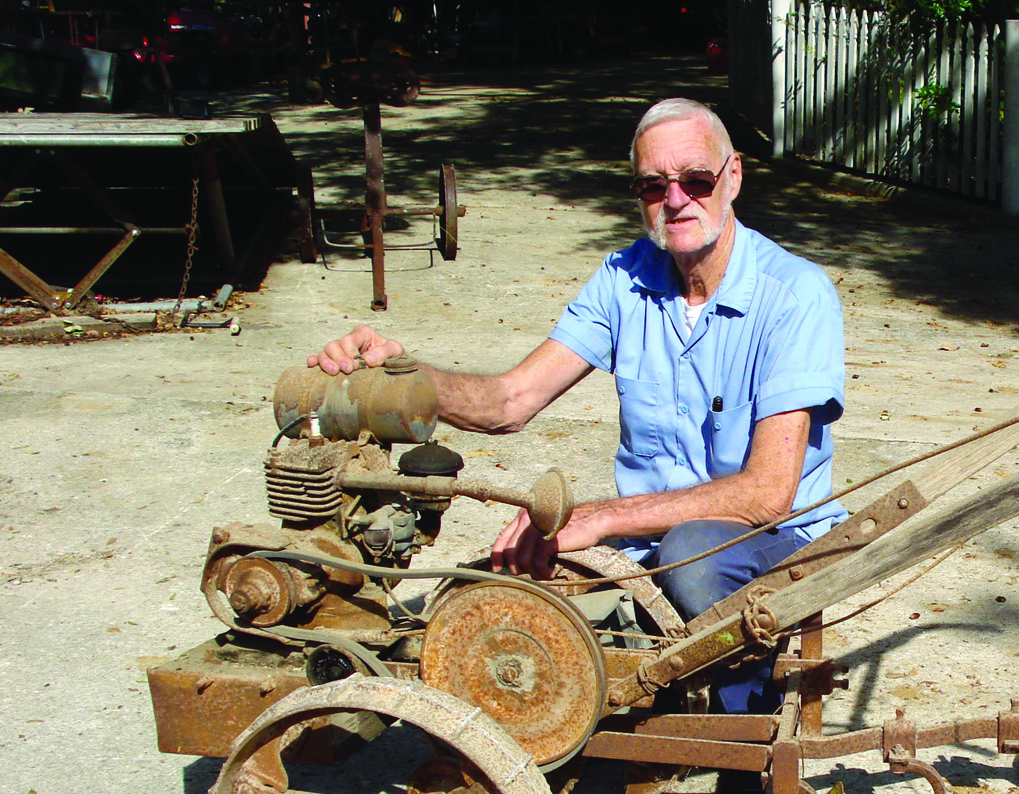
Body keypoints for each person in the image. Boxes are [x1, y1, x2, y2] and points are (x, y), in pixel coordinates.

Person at [312, 97, 847, 713]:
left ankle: (750, 719)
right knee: (507, 581)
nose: (676, 201)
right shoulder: (626, 278)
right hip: (653, 536)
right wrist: (400, 376)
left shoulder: (796, 295)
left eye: (696, 180)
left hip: (770, 540)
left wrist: (602, 516)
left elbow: (766, 493)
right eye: (654, 185)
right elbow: (509, 400)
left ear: (733, 176)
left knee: (689, 561)